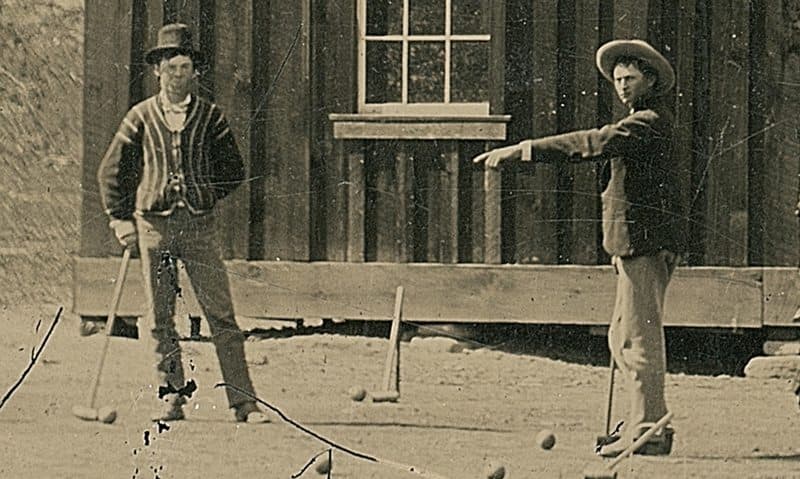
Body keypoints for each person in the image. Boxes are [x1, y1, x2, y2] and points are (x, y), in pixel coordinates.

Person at [473, 39, 683, 456]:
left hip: (644, 243)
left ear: (651, 80)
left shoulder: (649, 122)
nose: (623, 86)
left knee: (637, 340)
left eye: (631, 79)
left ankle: (649, 431)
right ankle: (641, 424)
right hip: (631, 243)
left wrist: (524, 150)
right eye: (619, 79)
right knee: (622, 337)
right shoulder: (641, 121)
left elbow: (595, 142)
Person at [97, 23, 267, 423]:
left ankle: (244, 403)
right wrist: (120, 220)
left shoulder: (211, 117)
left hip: (199, 227)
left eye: (184, 67)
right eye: (170, 67)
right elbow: (111, 172)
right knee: (159, 317)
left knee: (221, 316)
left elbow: (233, 170)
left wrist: (203, 194)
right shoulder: (139, 116)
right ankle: (172, 397)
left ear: (196, 72)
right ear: (157, 70)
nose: (177, 74)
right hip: (152, 227)